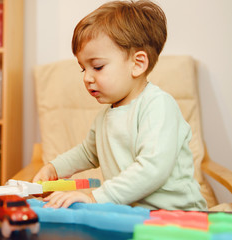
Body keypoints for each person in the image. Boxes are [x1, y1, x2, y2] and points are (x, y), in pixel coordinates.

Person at [33, 0, 207, 210]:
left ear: (137, 64)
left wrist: (97, 197)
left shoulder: (158, 106)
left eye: (97, 67)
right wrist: (54, 168)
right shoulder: (105, 116)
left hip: (178, 216)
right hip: (130, 213)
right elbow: (87, 153)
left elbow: (152, 169)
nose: (87, 78)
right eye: (83, 69)